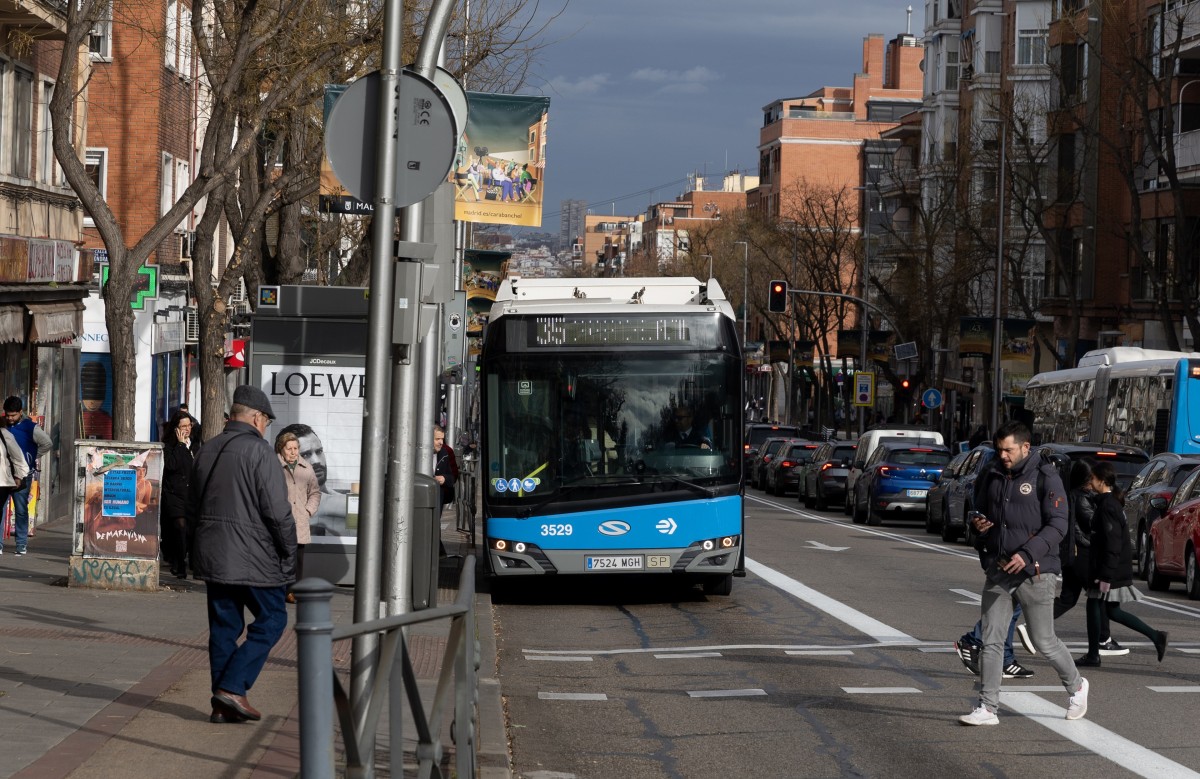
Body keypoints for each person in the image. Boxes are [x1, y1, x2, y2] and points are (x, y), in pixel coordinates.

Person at [959, 421, 1089, 726]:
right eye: (999, 449)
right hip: (1000, 569)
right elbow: (978, 511)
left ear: (1025, 447)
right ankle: (988, 708)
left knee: (1044, 641)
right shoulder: (991, 473)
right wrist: (978, 525)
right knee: (991, 639)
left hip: (1037, 572)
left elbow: (1058, 524)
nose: (1003, 455)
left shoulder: (1046, 476)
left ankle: (1077, 685)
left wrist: (1027, 554)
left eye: (1009, 449)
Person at [188, 385, 296, 724]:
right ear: (256, 417)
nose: (266, 427)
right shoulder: (260, 452)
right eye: (266, 421)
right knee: (274, 618)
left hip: (214, 555)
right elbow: (278, 512)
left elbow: (193, 507)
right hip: (254, 558)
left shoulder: (208, 449)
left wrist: (195, 550)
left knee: (224, 626)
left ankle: (222, 704)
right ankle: (233, 688)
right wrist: (289, 556)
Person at [1075, 460, 1169, 667]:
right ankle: (1156, 636)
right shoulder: (1109, 503)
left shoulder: (1108, 506)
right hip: (1111, 567)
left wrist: (1105, 574)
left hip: (1108, 569)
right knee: (1111, 611)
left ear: (1100, 481)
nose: (1090, 482)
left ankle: (1093, 654)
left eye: (1092, 478)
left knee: (1094, 607)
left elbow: (1112, 542)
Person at [1053, 460, 1125, 655]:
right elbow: (1093, 524)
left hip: (1074, 553)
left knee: (1068, 598)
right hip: (1083, 553)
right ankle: (1103, 639)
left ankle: (1035, 625)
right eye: (1090, 478)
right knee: (1098, 597)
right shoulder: (1083, 498)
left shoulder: (1077, 496)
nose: (1092, 483)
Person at [2, 397, 51, 556]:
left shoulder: (31, 428)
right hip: (3, 474)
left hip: (23, 474)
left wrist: (32, 456)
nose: (10, 418)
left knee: (21, 509)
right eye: (7, 415)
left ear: (20, 413)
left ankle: (21, 544)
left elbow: (47, 443)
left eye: (13, 415)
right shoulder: (2, 425)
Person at [276, 430, 320, 604]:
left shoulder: (306, 468)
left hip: (300, 520)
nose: (294, 452)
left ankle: (293, 591)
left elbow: (315, 492)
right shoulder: (274, 465)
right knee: (280, 556)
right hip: (280, 520)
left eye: (296, 448)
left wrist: (308, 510)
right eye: (290, 449)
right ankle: (279, 590)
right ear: (281, 450)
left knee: (298, 559)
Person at [161, 408, 200, 577]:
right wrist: (181, 445)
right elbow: (171, 465)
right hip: (175, 495)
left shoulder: (196, 444)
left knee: (190, 531)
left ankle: (183, 562)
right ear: (175, 428)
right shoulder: (170, 446)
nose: (187, 429)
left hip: (191, 495)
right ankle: (180, 566)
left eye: (189, 425)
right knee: (180, 527)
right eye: (183, 425)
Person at [0, 424, 30, 555]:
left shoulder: (4, 434)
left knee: (21, 510)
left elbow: (18, 457)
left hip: (4, 480)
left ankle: (21, 543)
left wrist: (19, 476)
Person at [434, 426, 457, 510]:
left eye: (442, 439)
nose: (441, 442)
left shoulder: (444, 453)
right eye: (437, 439)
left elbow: (452, 477)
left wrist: (444, 478)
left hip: (438, 498)